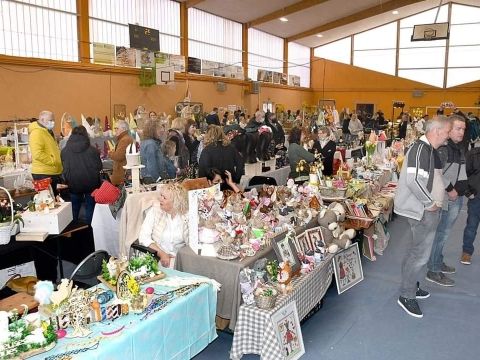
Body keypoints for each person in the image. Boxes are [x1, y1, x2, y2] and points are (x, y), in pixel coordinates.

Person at [394, 115, 452, 318]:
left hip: (422, 209)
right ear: (436, 131)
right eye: (446, 133)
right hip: (420, 210)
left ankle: (409, 285)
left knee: (415, 252)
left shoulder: (426, 149)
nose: (447, 137)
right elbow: (414, 181)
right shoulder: (420, 149)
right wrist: (429, 204)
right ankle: (406, 295)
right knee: (419, 254)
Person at [426, 115, 467, 287]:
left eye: (463, 129)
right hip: (447, 198)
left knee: (445, 233)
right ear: (448, 130)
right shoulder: (444, 149)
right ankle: (433, 270)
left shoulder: (457, 147)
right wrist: (451, 190)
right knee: (441, 234)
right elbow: (437, 173)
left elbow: (461, 172)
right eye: (458, 128)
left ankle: (438, 261)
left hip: (456, 197)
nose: (462, 132)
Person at [138, 183, 188, 268]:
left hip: (179, 260)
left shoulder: (187, 216)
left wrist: (180, 257)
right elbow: (143, 237)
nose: (159, 199)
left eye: (164, 197)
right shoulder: (155, 211)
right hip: (155, 258)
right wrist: (161, 253)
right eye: (161, 195)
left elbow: (192, 243)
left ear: (175, 203)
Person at [61, 126, 102, 223]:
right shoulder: (93, 150)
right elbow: (99, 166)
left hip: (73, 183)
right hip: (91, 184)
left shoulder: (64, 151)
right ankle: (90, 230)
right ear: (86, 135)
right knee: (90, 208)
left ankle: (73, 229)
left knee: (74, 208)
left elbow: (64, 167)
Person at [29, 110, 63, 195]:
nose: (53, 123)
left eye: (53, 120)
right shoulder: (37, 133)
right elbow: (37, 154)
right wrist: (53, 160)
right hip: (43, 173)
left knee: (55, 200)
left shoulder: (48, 132)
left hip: (52, 171)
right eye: (50, 120)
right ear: (42, 119)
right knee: (47, 200)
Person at [460, 144, 480, 265]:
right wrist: (468, 192)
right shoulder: (473, 154)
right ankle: (466, 252)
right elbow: (463, 174)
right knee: (471, 227)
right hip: (476, 198)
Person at [109, 120, 134, 185]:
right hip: (122, 172)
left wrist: (110, 153)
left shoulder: (124, 140)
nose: (115, 130)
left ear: (124, 129)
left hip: (121, 173)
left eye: (117, 128)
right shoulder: (125, 138)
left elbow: (118, 156)